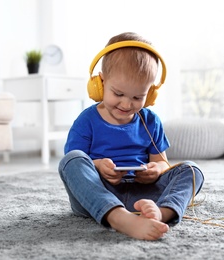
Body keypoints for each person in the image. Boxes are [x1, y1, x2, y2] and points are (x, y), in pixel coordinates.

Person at [58, 32, 204, 240]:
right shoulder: (86, 120)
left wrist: (156, 170)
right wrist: (99, 166)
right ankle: (119, 218)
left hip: (143, 194)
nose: (127, 105)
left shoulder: (150, 121)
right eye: (118, 94)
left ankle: (160, 213)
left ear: (151, 94)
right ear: (100, 83)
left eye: (138, 97)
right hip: (97, 196)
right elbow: (76, 166)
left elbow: (162, 163)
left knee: (191, 170)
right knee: (70, 160)